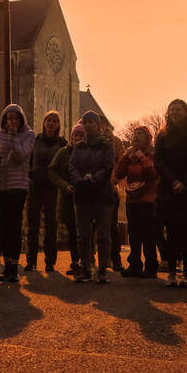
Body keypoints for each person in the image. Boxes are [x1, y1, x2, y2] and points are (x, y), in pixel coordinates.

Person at [155, 99, 187, 288]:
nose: (174, 112)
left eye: (178, 109)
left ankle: (186, 273)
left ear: (186, 112)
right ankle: (172, 272)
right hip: (168, 188)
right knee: (171, 232)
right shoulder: (163, 134)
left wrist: (184, 182)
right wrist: (172, 180)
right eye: (171, 109)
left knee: (186, 233)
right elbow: (159, 160)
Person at [71, 111, 116, 283]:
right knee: (83, 235)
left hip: (102, 195)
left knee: (103, 235)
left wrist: (93, 180)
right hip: (82, 195)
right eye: (86, 122)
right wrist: (80, 181)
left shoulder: (107, 145)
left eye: (92, 122)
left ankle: (103, 269)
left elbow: (108, 167)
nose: (88, 125)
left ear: (98, 125)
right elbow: (72, 166)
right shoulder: (78, 147)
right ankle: (86, 268)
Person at [0, 104, 35, 283]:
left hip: (18, 186)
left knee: (14, 225)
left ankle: (15, 266)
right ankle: (7, 265)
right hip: (1, 186)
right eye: (9, 118)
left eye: (15, 118)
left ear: (21, 119)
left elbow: (20, 156)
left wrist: (12, 137)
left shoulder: (29, 135)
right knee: (3, 226)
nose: (12, 121)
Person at [115, 126, 160, 278]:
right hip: (132, 200)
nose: (136, 136)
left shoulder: (152, 154)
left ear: (147, 138)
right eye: (134, 133)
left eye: (140, 134)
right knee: (133, 235)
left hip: (148, 200)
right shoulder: (129, 156)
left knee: (148, 235)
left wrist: (142, 157)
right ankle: (134, 265)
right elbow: (119, 173)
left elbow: (153, 175)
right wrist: (125, 157)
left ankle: (151, 266)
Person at [27, 111, 67, 272]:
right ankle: (31, 261)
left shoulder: (62, 143)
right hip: (35, 186)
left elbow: (66, 164)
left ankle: (50, 261)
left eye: (54, 121)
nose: (50, 123)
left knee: (51, 224)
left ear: (58, 125)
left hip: (52, 188)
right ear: (44, 123)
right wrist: (30, 175)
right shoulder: (36, 140)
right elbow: (29, 161)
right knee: (33, 224)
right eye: (48, 120)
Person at [48, 123, 84, 278]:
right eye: (75, 135)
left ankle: (87, 261)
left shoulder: (88, 152)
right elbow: (52, 170)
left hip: (85, 198)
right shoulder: (63, 152)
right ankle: (75, 262)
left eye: (81, 136)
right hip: (68, 197)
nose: (77, 138)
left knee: (85, 232)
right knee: (72, 230)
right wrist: (64, 185)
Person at [100, 115, 127, 272]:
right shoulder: (88, 141)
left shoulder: (115, 141)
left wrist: (114, 179)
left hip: (110, 188)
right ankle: (95, 260)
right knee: (94, 227)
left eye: (102, 124)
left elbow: (123, 161)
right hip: (94, 188)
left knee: (112, 225)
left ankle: (115, 259)